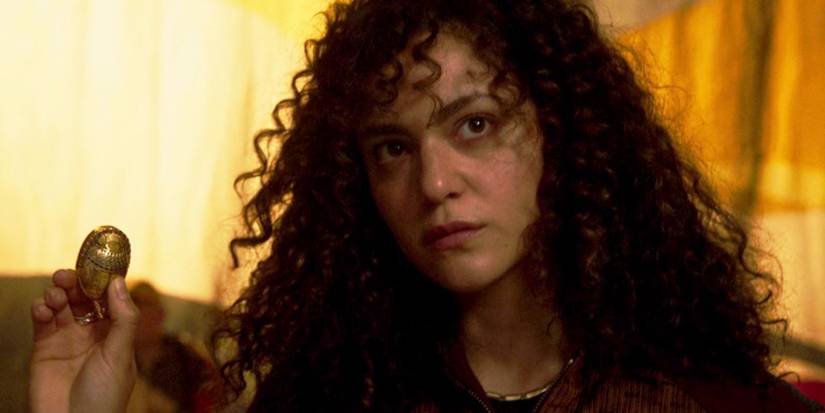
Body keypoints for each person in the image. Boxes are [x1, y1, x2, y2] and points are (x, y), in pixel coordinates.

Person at [28, 0, 825, 412]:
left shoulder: (718, 402)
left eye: (474, 124)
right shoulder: (326, 401)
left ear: (565, 134)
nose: (434, 182)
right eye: (392, 147)